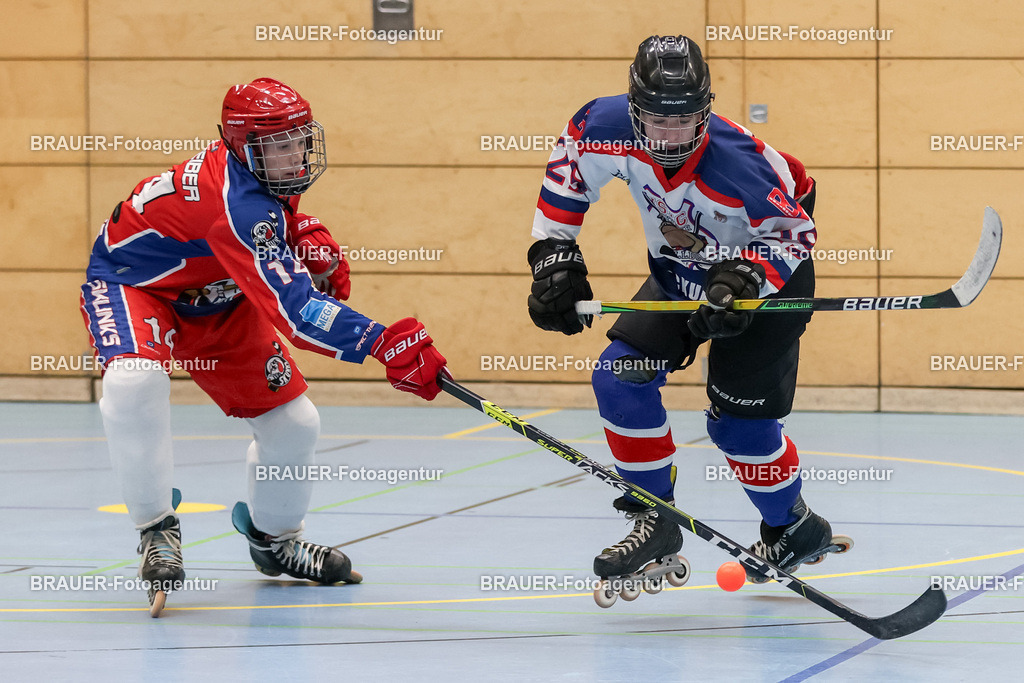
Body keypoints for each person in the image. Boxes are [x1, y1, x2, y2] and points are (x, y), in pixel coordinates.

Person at [81, 77, 447, 612]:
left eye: (300, 139)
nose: (293, 156)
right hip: (135, 286)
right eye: (278, 144)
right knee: (135, 380)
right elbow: (295, 313)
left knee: (294, 424)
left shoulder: (262, 170)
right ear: (241, 144)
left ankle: (275, 543)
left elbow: (272, 220)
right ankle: (155, 529)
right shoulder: (238, 204)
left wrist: (304, 229)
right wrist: (381, 341)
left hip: (218, 295)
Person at [527, 36, 841, 586]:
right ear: (632, 110)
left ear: (706, 110)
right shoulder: (599, 126)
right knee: (620, 376)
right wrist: (555, 257)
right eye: (656, 121)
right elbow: (567, 174)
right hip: (680, 274)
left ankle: (792, 528)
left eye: (685, 121)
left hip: (768, 281)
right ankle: (657, 515)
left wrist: (744, 279)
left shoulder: (742, 165)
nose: (670, 137)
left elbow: (794, 235)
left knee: (739, 429)